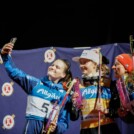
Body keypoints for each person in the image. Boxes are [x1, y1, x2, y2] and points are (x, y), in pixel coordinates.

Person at [0, 42, 74, 134]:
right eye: (52, 65)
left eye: (57, 67)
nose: (52, 67)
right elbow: (14, 72)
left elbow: (64, 123)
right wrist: (5, 56)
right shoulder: (35, 84)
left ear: (63, 75)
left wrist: (56, 128)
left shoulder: (64, 95)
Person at [71, 49, 121, 134]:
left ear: (95, 64)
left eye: (85, 62)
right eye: (80, 62)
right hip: (86, 130)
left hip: (106, 129)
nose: (81, 65)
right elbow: (74, 117)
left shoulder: (108, 83)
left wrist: (106, 110)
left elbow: (119, 111)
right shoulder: (78, 85)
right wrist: (74, 105)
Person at [112, 53, 134, 123]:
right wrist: (124, 113)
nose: (113, 67)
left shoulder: (131, 81)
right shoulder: (120, 83)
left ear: (126, 67)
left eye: (117, 64)